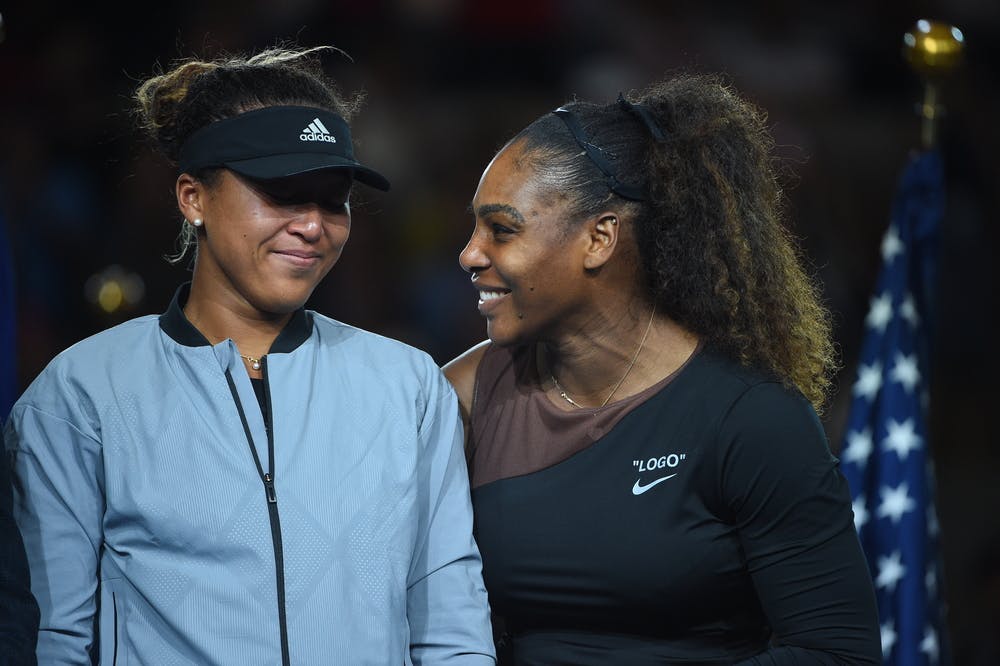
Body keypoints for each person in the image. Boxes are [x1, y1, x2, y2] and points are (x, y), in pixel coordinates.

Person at [4, 45, 495, 665]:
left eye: (333, 197)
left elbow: (449, 623)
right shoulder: (80, 393)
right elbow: (52, 638)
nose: (314, 225)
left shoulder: (408, 382)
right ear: (193, 197)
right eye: (282, 192)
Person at [444, 74, 881, 664]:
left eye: (501, 229)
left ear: (599, 238)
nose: (470, 254)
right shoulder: (465, 394)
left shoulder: (750, 418)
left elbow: (837, 653)